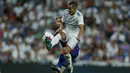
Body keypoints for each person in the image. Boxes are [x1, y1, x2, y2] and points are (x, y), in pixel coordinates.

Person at [44, 1, 84, 73]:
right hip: (65, 51)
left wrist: (78, 37)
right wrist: (56, 32)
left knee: (64, 51)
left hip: (73, 51)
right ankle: (50, 45)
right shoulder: (65, 13)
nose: (68, 10)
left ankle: (69, 66)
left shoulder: (79, 16)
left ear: (75, 8)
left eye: (70, 8)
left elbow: (81, 28)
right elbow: (62, 25)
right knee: (61, 37)